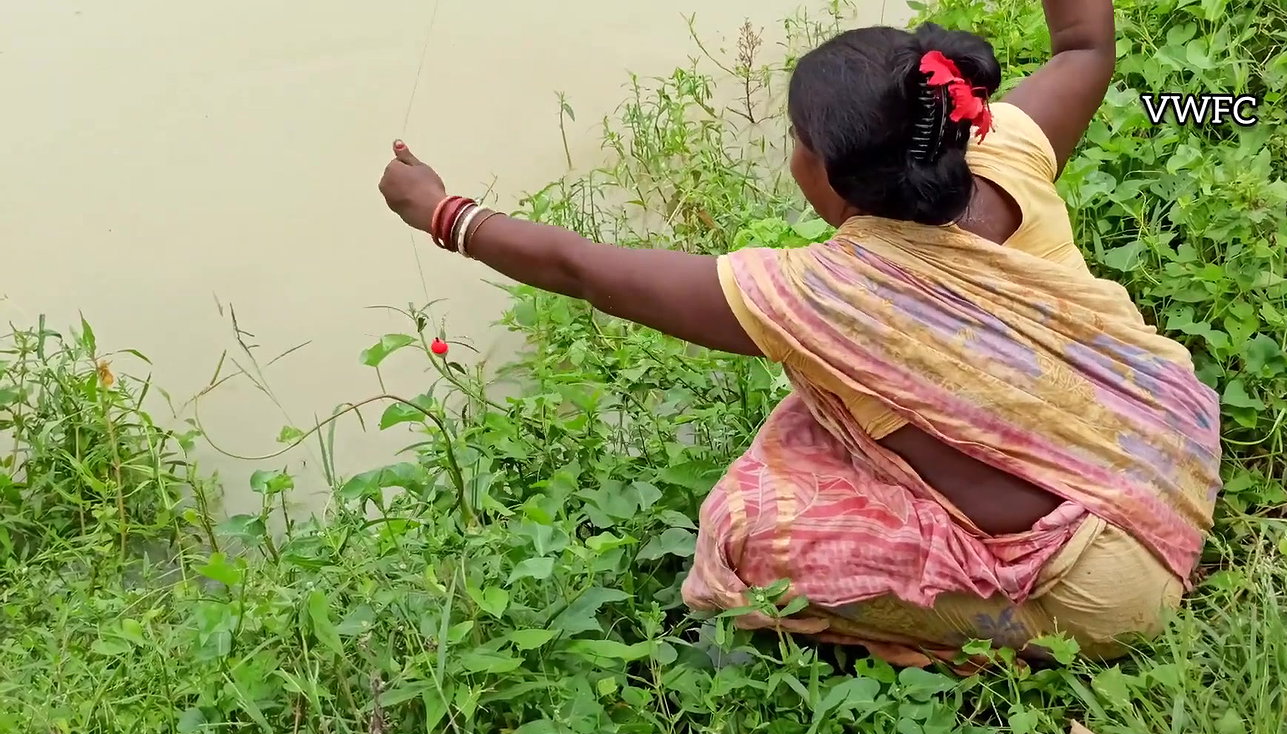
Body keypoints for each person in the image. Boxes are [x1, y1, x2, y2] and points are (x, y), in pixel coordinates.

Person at [378, 0, 1223, 667]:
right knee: (822, 407)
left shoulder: (819, 294)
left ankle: (1016, 628)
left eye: (795, 139)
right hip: (1167, 448)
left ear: (824, 170)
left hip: (1109, 586)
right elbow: (1083, 46)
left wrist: (442, 212)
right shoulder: (1007, 158)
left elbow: (585, 269)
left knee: (743, 531)